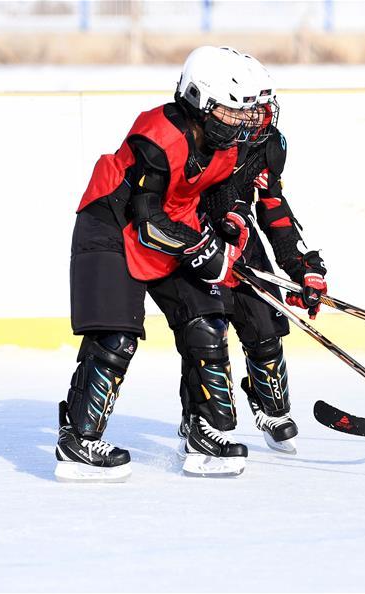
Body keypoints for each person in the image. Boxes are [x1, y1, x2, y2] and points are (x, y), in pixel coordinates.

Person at [56, 46, 273, 482]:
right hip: (112, 226)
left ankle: (202, 429)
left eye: (247, 115)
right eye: (233, 114)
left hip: (176, 228)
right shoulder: (157, 135)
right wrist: (202, 249)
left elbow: (222, 197)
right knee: (117, 338)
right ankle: (77, 442)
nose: (243, 124)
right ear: (198, 101)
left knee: (207, 323)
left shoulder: (229, 145)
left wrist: (230, 225)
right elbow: (147, 220)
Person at [191, 59, 327, 455]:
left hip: (243, 244)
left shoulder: (269, 144)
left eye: (263, 107)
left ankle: (271, 407)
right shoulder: (206, 137)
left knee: (266, 325)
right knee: (205, 336)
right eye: (250, 107)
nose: (259, 116)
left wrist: (301, 267)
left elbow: (273, 206)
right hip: (197, 242)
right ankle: (199, 420)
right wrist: (220, 221)